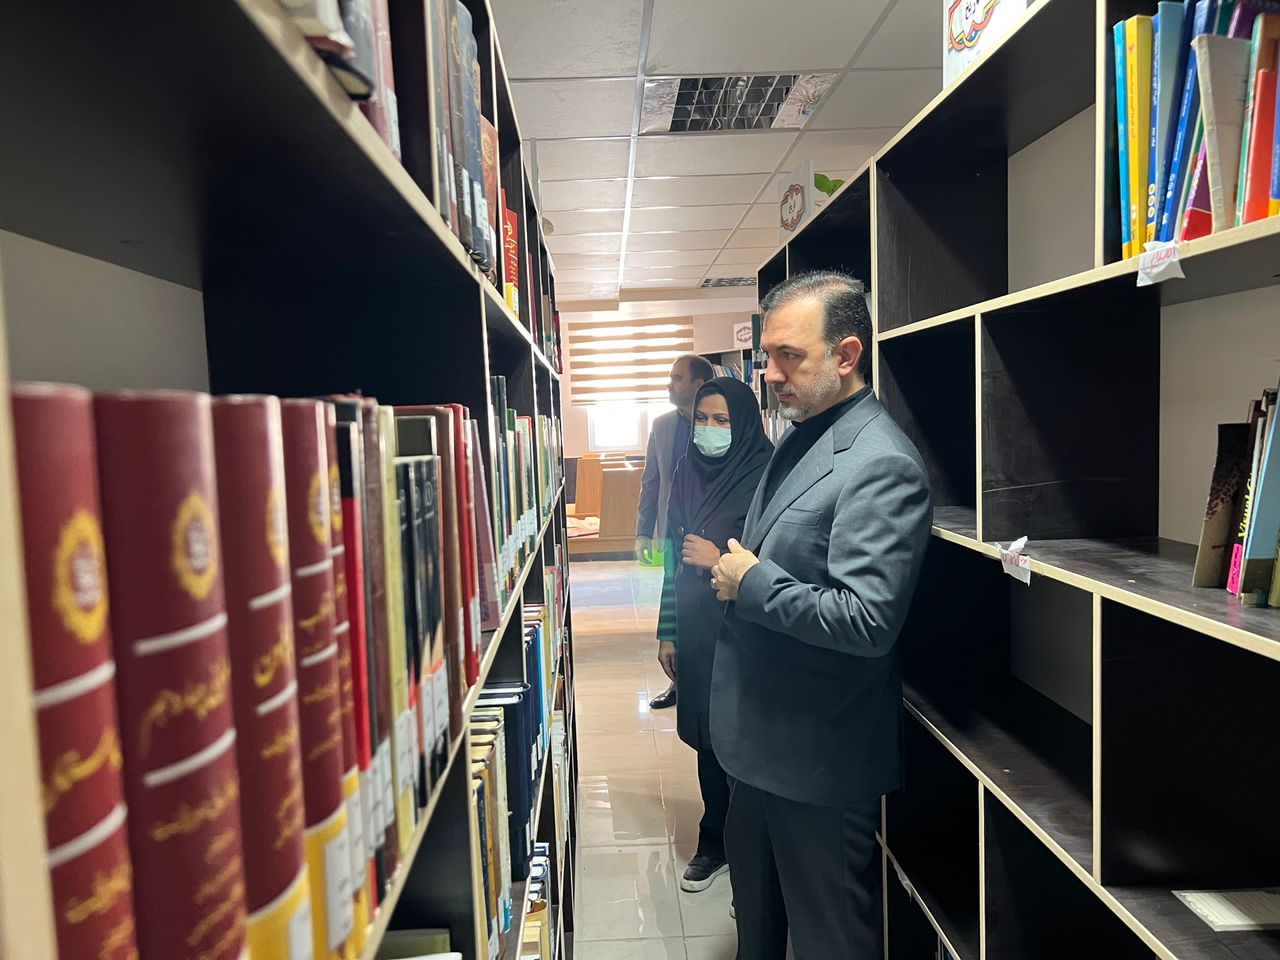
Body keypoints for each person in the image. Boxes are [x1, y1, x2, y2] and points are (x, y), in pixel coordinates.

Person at [708, 271, 932, 959]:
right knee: (757, 925)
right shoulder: (803, 433)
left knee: (830, 939)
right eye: (767, 355)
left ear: (847, 354)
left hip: (817, 762)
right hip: (758, 746)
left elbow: (867, 620)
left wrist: (751, 582)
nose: (771, 374)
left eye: (790, 356)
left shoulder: (880, 463)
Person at [654, 377, 772, 894]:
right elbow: (672, 560)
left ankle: (753, 855)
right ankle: (715, 840)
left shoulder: (768, 474)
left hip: (747, 630)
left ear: (743, 424)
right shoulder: (687, 471)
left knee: (744, 737)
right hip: (697, 625)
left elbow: (784, 560)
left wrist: (720, 558)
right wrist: (668, 631)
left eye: (721, 420)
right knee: (707, 736)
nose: (709, 429)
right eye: (701, 418)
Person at [636, 354, 712, 710]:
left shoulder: (717, 422)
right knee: (673, 601)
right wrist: (643, 530)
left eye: (677, 378)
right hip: (673, 531)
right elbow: (651, 480)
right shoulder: (662, 425)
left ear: (699, 384)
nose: (670, 384)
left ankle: (707, 679)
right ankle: (678, 682)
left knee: (704, 604)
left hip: (713, 532)